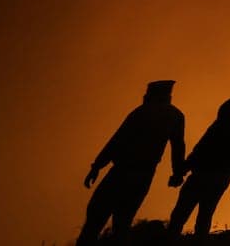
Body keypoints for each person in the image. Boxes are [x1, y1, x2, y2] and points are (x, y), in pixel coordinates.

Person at [78, 80, 186, 245]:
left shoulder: (141, 112)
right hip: (144, 176)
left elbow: (117, 140)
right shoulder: (176, 116)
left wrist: (97, 166)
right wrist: (177, 173)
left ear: (152, 95)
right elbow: (178, 147)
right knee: (123, 222)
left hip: (121, 172)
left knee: (95, 218)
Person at [168, 96, 230, 238]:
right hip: (217, 177)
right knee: (203, 214)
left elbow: (200, 150)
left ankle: (171, 239)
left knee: (184, 212)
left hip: (205, 175)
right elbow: (201, 149)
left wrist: (184, 169)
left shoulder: (222, 126)